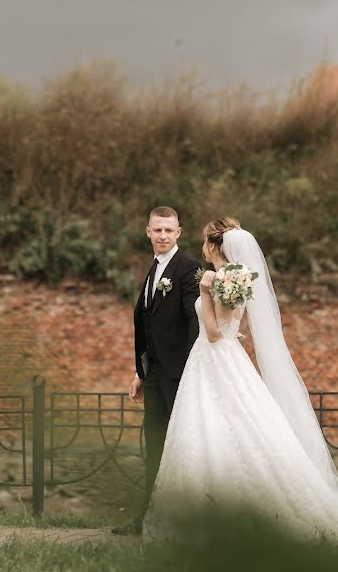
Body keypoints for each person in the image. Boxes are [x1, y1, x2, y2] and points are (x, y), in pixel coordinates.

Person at [142, 217, 338, 545]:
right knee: (230, 425)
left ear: (213, 245)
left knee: (215, 426)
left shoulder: (221, 277)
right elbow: (234, 325)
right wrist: (223, 315)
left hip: (214, 358)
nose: (202, 246)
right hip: (221, 357)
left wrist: (206, 292)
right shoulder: (237, 275)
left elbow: (211, 331)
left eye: (205, 241)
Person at [113, 206, 200, 536]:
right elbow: (151, 325)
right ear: (147, 231)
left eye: (169, 230)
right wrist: (141, 371)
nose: (163, 235)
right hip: (155, 378)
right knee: (155, 449)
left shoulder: (188, 268)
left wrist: (193, 372)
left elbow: (194, 323)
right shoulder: (154, 270)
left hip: (180, 379)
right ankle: (149, 519)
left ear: (179, 232)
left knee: (184, 449)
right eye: (157, 230)